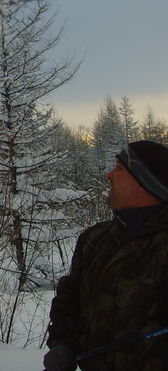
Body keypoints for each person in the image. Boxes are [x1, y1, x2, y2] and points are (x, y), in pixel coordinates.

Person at [44, 140, 168, 371]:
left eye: (119, 169)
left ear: (144, 182)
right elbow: (69, 299)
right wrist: (62, 344)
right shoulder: (95, 239)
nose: (109, 175)